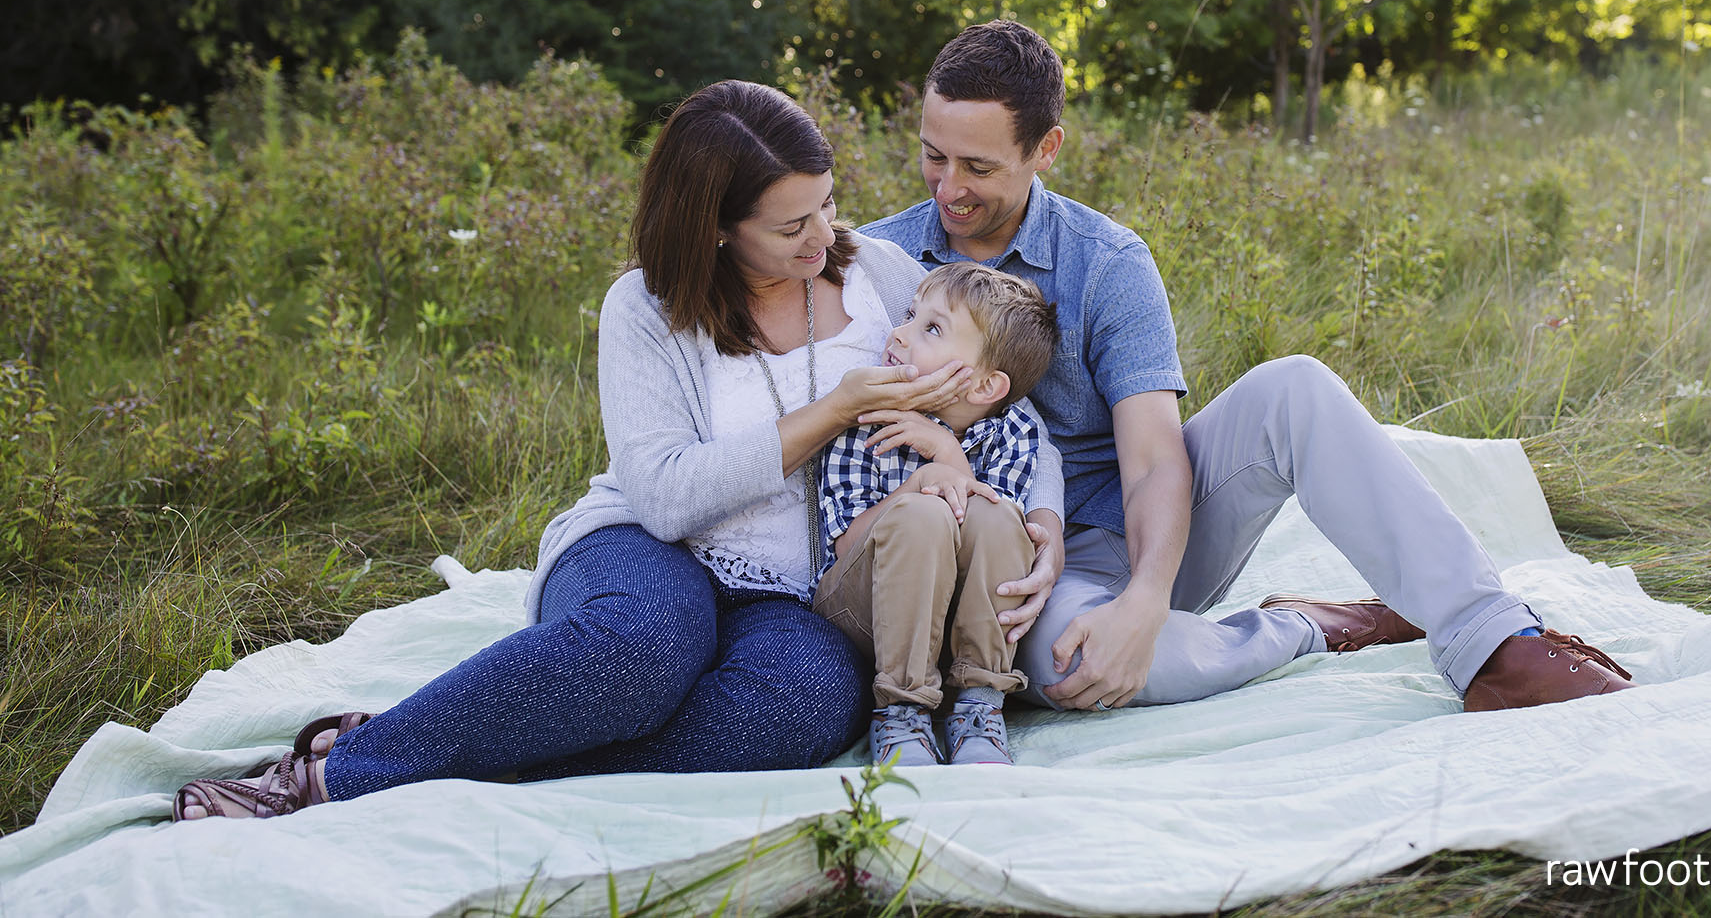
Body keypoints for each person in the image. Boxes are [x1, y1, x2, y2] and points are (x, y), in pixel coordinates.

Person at [171, 80, 1066, 820]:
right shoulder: (644, 308)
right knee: (640, 652)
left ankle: (465, 752)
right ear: (718, 225)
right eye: (790, 224)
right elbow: (667, 496)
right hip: (647, 543)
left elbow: (1008, 407)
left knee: (804, 706)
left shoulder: (881, 278)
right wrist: (836, 407)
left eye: (826, 204)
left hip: (796, 591)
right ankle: (332, 773)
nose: (824, 235)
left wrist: (1041, 513)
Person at [859, 21, 1637, 716]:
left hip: (1129, 536)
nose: (949, 187)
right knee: (1074, 665)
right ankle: (1306, 626)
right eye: (932, 155)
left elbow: (1156, 459)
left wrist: (1145, 602)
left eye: (978, 166)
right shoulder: (879, 259)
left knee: (1293, 386)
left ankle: (1496, 644)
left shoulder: (1106, 261)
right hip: (999, 564)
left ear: (1045, 148)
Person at [811, 262, 1060, 768]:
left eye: (930, 328)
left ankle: (979, 706)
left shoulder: (1014, 434)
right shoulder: (870, 416)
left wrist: (949, 458)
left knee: (997, 519)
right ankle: (900, 713)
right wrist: (916, 486)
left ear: (986, 387)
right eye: (909, 315)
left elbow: (996, 540)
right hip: (862, 609)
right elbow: (846, 543)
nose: (898, 334)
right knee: (924, 516)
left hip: (951, 626)